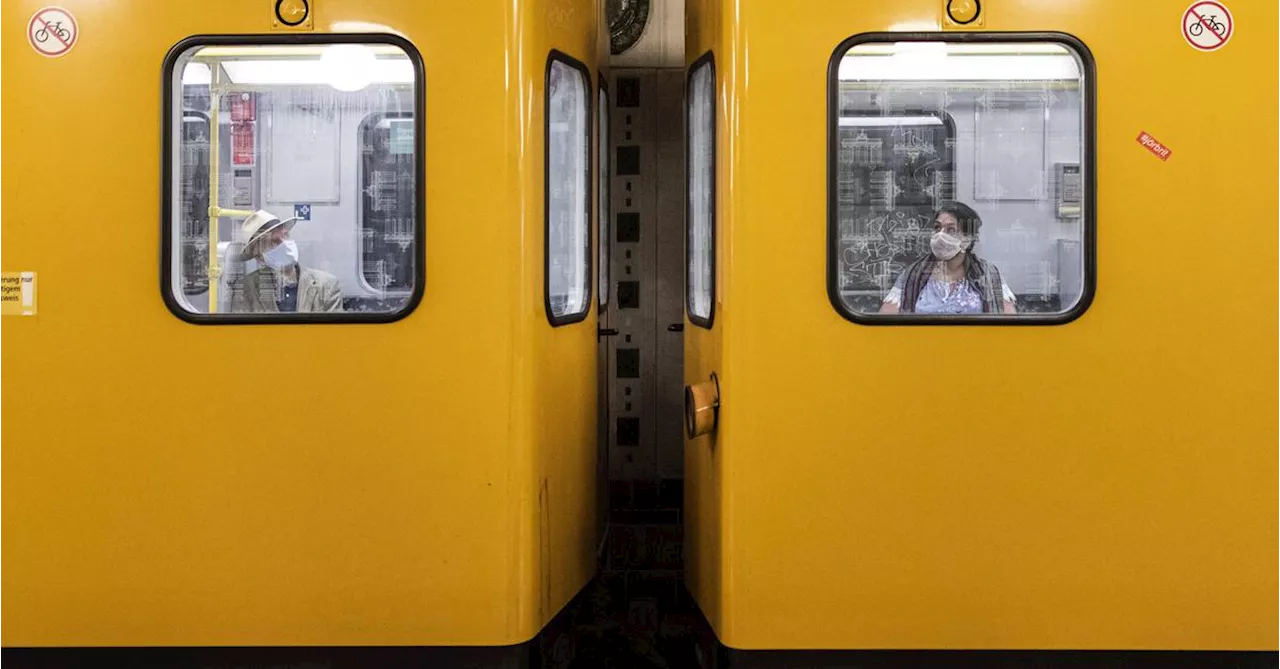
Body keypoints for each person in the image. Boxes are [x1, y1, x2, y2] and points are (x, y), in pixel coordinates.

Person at [879, 202, 1017, 315]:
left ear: (967, 238)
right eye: (937, 227)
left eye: (950, 230)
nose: (940, 235)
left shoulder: (988, 275)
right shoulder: (913, 274)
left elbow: (1010, 326)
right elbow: (885, 323)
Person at [230, 209, 343, 313]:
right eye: (274, 241)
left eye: (285, 235)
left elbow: (334, 333)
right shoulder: (246, 289)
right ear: (259, 257)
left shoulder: (327, 285)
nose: (284, 244)